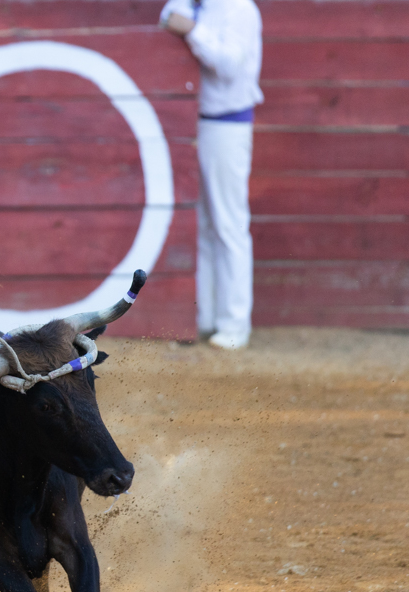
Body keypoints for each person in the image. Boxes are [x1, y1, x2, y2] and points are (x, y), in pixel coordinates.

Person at [161, 0, 263, 350]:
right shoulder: (196, 3)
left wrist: (192, 30)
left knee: (228, 224)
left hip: (226, 125)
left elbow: (229, 66)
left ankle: (234, 323)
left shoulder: (239, 9)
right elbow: (167, 16)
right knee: (202, 224)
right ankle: (203, 317)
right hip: (193, 121)